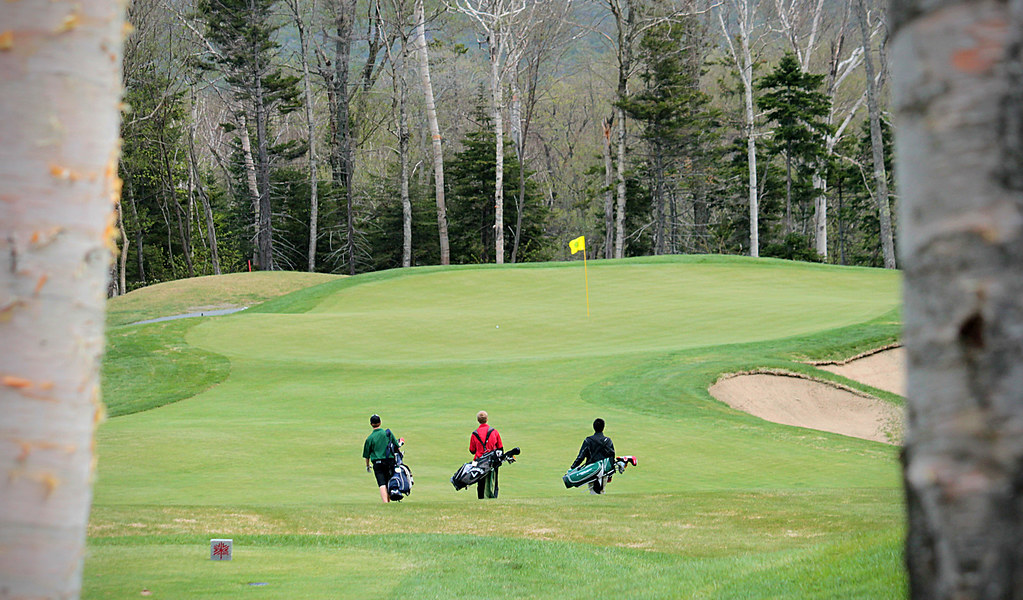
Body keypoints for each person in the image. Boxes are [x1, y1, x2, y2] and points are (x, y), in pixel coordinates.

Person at [570, 418, 616, 494]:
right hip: (604, 471)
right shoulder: (608, 441)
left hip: (591, 471)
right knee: (602, 491)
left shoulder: (588, 440)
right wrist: (610, 474)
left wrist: (572, 468)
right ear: (603, 427)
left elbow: (581, 457)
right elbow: (611, 458)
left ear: (593, 427)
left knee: (593, 492)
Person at [363, 414, 400, 503]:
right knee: (389, 481)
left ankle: (385, 503)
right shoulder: (388, 433)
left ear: (371, 424)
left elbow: (367, 455)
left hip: (377, 463)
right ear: (380, 422)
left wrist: (368, 466)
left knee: (382, 483)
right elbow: (396, 446)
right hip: (389, 461)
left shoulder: (370, 438)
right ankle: (388, 501)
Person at [469, 410, 503, 499]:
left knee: (480, 483)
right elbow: (500, 448)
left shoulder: (474, 434)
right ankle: (493, 497)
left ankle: (481, 498)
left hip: (479, 461)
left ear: (478, 420)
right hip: (492, 461)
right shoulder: (494, 432)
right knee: (494, 481)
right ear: (487, 419)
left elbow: (472, 450)